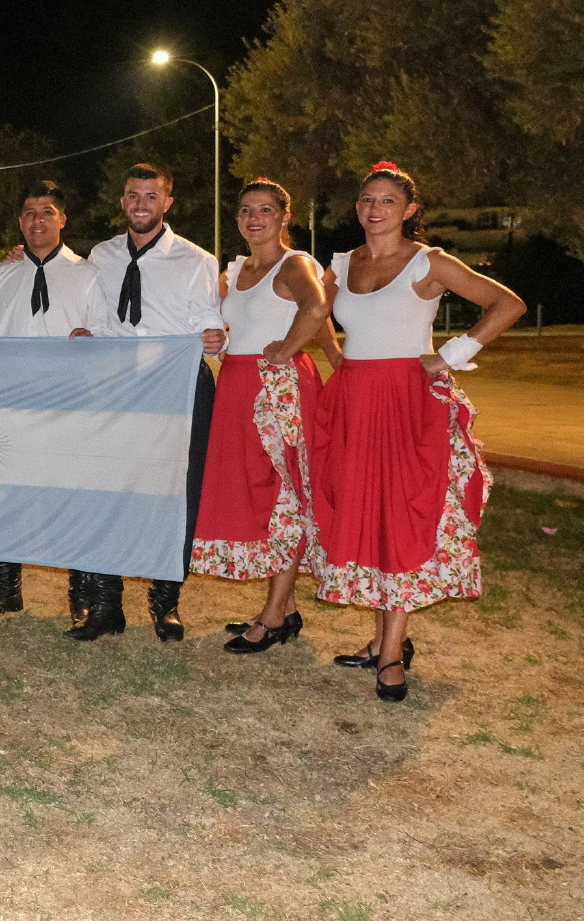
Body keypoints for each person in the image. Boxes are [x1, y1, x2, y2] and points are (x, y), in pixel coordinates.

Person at [310, 162, 523, 702]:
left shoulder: (430, 261)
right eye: (366, 200)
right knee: (368, 512)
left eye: (386, 201)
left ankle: (391, 653)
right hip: (356, 399)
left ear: (407, 211)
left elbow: (507, 304)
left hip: (408, 402)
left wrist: (450, 355)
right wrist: (338, 357)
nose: (373, 209)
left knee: (402, 514)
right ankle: (382, 638)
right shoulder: (343, 262)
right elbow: (314, 314)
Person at [189, 179, 340, 654]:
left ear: (284, 216)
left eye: (266, 210)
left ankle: (273, 616)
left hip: (277, 386)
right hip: (237, 381)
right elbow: (194, 308)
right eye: (246, 210)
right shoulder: (235, 271)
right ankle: (286, 607)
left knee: (284, 493)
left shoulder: (293, 263)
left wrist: (289, 350)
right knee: (260, 492)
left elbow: (318, 306)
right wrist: (223, 342)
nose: (255, 218)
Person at [80, 164, 226, 642]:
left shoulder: (197, 260)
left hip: (177, 388)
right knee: (107, 490)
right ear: (122, 202)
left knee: (174, 494)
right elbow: (90, 316)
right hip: (115, 389)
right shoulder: (98, 257)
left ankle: (166, 603)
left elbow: (213, 326)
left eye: (151, 196)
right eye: (133, 195)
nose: (141, 204)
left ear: (168, 203)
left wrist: (216, 338)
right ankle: (106, 605)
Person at [0, 182, 104, 621]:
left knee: (73, 496)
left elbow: (104, 331)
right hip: (12, 403)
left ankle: (80, 596)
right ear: (20, 221)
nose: (37, 220)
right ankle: (6, 591)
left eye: (46, 212)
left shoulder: (88, 274)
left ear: (62, 219)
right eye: (28, 213)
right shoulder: (3, 274)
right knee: (8, 496)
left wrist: (91, 338)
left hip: (68, 404)